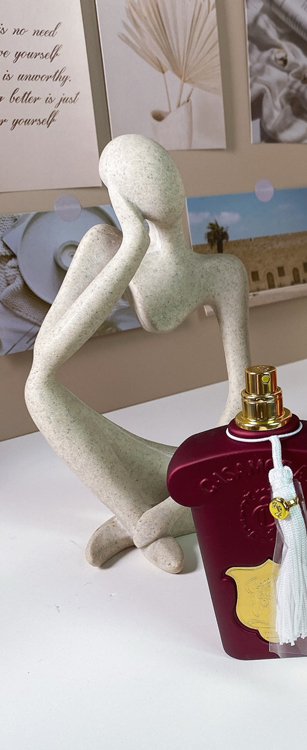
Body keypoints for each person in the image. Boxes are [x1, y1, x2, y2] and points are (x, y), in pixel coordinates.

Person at [25, 135, 251, 573]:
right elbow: (45, 360)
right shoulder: (104, 246)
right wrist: (131, 247)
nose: (163, 184)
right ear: (119, 193)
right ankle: (140, 520)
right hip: (146, 463)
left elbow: (242, 397)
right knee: (37, 391)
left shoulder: (223, 273)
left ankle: (155, 518)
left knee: (242, 463)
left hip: (199, 460)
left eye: (164, 169)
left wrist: (204, 467)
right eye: (144, 176)